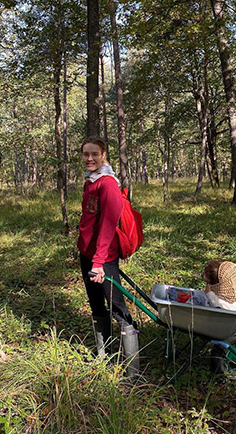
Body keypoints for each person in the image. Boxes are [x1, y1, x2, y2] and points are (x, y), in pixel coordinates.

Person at [77, 136, 139, 377]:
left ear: (103, 156)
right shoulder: (90, 181)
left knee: (117, 307)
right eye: (85, 154)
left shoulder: (108, 183)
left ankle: (133, 372)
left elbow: (108, 224)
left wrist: (100, 261)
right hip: (88, 254)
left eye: (94, 154)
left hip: (103, 259)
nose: (89, 159)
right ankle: (103, 357)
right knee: (96, 305)